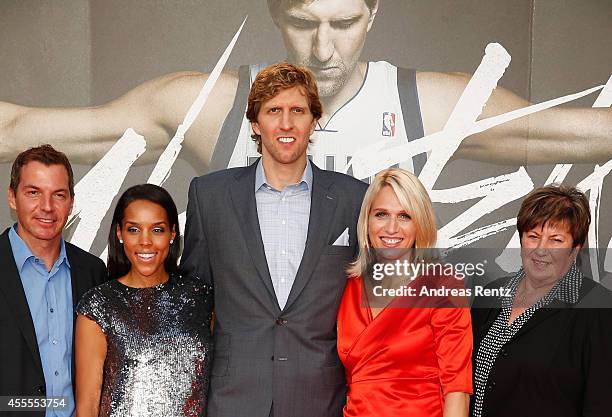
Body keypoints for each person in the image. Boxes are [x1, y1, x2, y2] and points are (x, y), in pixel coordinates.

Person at [0, 0, 610, 172]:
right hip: (258, 372)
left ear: (373, 15)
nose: (324, 50)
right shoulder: (206, 104)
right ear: (273, 14)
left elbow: (574, 133)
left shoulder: (423, 102)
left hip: (374, 371)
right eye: (302, 23)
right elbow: (21, 130)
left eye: (344, 24)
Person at [181, 63, 368, 417]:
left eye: (298, 111)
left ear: (314, 121)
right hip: (233, 399)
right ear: (255, 123)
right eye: (273, 111)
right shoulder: (210, 196)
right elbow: (195, 303)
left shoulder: (353, 199)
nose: (286, 123)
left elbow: (370, 303)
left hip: (321, 399)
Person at [337, 167, 472, 417]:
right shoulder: (348, 285)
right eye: (381, 214)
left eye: (404, 216)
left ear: (420, 223)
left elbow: (457, 390)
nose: (391, 228)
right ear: (366, 221)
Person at [470, 185, 612, 417]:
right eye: (533, 236)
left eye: (556, 240)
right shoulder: (491, 294)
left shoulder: (598, 308)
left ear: (575, 248)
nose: (541, 250)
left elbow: (602, 404)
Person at [74, 184, 213, 417]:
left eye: (157, 230)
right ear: (119, 233)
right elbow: (87, 406)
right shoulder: (99, 305)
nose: (145, 242)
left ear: (172, 234)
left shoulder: (201, 298)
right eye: (134, 230)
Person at [0, 145, 107, 417]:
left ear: (71, 202)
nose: (46, 207)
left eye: (58, 195)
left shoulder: (93, 272)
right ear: (12, 197)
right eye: (33, 193)